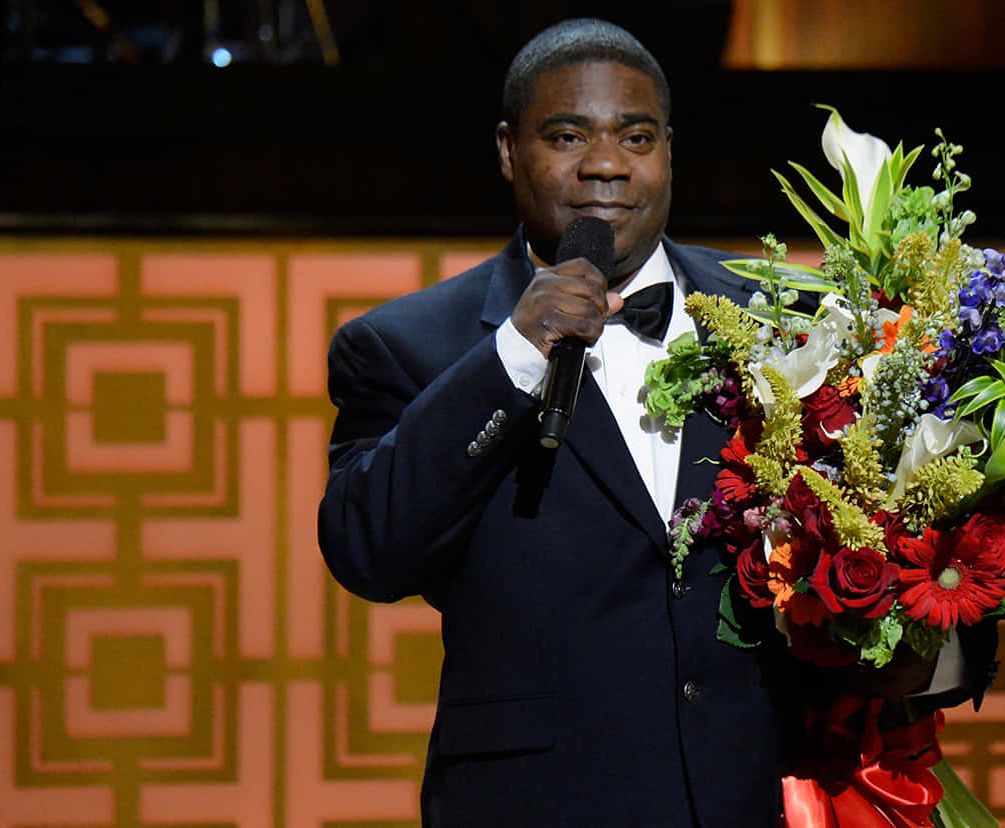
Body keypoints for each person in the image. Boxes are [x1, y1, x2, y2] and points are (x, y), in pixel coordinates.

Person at [317, 18, 784, 828]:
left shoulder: (782, 315)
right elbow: (367, 550)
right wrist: (514, 356)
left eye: (635, 137)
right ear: (508, 150)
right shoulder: (403, 345)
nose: (605, 164)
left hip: (756, 795)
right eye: (567, 136)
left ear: (668, 149)